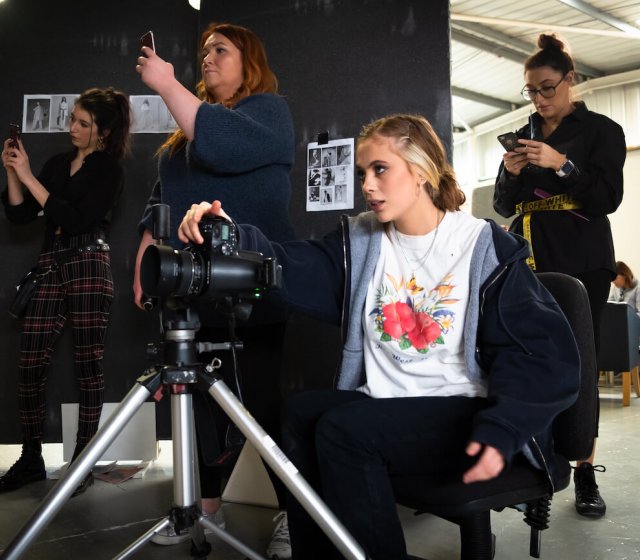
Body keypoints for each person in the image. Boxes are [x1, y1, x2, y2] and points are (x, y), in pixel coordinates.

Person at [178, 113, 581, 560]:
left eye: (380, 170)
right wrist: (229, 236)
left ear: (423, 170)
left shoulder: (484, 248)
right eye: (362, 174)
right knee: (300, 413)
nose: (367, 185)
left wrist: (503, 428)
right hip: (390, 402)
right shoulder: (361, 241)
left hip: (466, 408)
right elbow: (288, 263)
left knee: (343, 431)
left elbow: (543, 352)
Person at [134, 22, 294, 556]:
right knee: (195, 406)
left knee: (262, 410)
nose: (207, 58)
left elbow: (222, 145)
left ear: (248, 61)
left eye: (219, 50)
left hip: (252, 288)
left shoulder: (269, 112)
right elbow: (159, 201)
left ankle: (297, 518)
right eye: (203, 51)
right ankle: (199, 511)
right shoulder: (185, 133)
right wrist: (143, 265)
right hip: (191, 290)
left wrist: (165, 83)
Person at [493, 33, 626, 519]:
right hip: (529, 254)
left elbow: (607, 198)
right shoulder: (525, 133)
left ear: (570, 79)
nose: (540, 99)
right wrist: (509, 172)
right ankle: (538, 468)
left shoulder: (602, 131)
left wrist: (563, 165)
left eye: (547, 87)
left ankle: (586, 472)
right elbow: (505, 205)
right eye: (531, 90)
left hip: (583, 257)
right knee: (531, 359)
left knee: (581, 364)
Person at [0, 87, 131, 496]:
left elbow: (75, 219)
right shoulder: (56, 165)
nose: (72, 127)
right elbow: (20, 214)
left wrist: (31, 178)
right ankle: (32, 458)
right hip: (51, 263)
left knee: (88, 366)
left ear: (103, 131)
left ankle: (81, 464)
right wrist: (13, 172)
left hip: (89, 262)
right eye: (73, 119)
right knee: (30, 362)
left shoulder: (109, 170)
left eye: (83, 123)